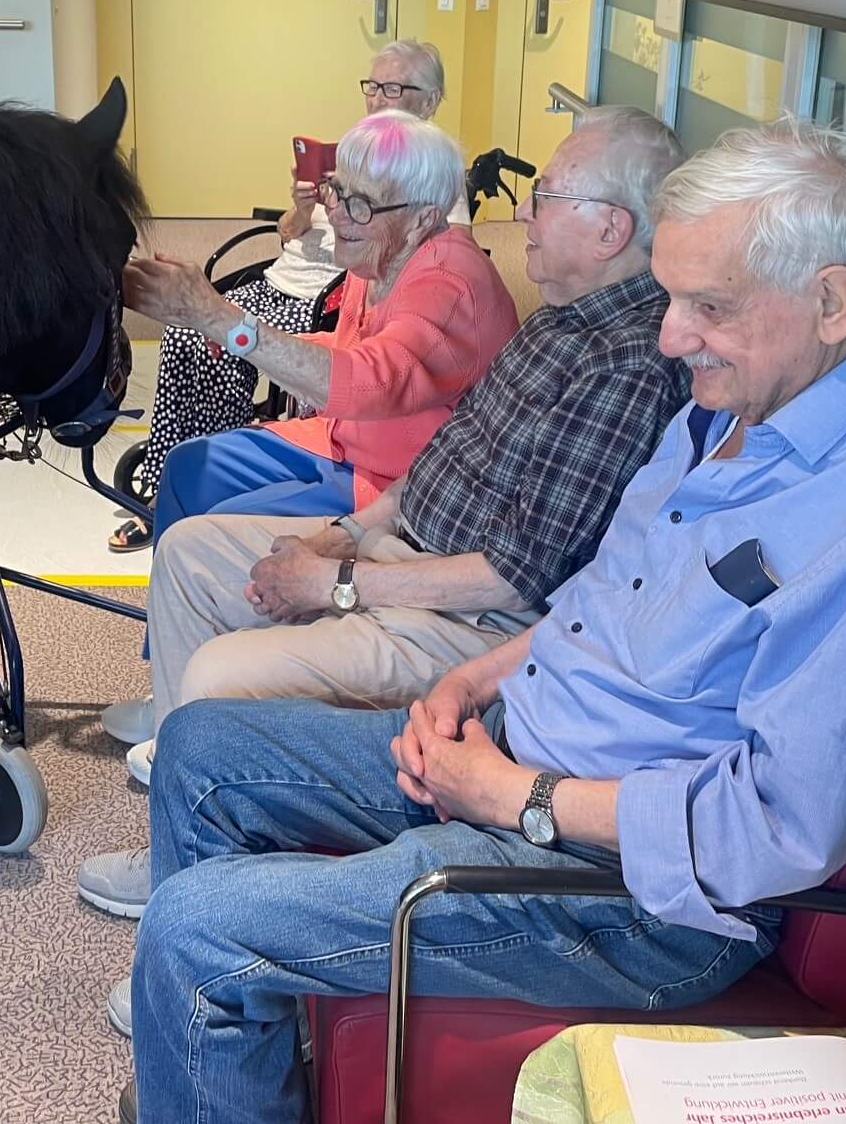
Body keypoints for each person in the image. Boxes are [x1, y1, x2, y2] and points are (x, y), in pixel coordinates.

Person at [113, 119, 846, 1124]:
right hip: (520, 751)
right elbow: (606, 599)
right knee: (201, 748)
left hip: (627, 896)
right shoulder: (739, 403)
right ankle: (226, 1063)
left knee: (195, 929)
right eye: (672, 297)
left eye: (707, 306)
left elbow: (776, 827)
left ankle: (214, 1016)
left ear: (830, 302)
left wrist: (517, 797)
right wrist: (470, 682)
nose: (670, 337)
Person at [79, 111, 692, 991]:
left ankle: (213, 919)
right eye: (340, 190)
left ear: (610, 229)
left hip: (463, 611)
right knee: (188, 551)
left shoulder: (624, 361)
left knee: (218, 676)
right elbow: (438, 457)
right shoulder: (558, 320)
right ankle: (182, 847)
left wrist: (337, 582)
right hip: (393, 532)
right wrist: (350, 534)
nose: (523, 212)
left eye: (547, 196)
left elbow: (511, 573)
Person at [108, 41, 462, 553]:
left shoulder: (438, 265)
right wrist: (226, 325)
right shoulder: (374, 241)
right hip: (337, 428)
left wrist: (230, 325)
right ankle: (165, 477)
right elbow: (347, 342)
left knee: (201, 535)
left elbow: (373, 380)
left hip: (381, 468)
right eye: (338, 194)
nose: (337, 213)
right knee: (188, 449)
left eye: (357, 203)